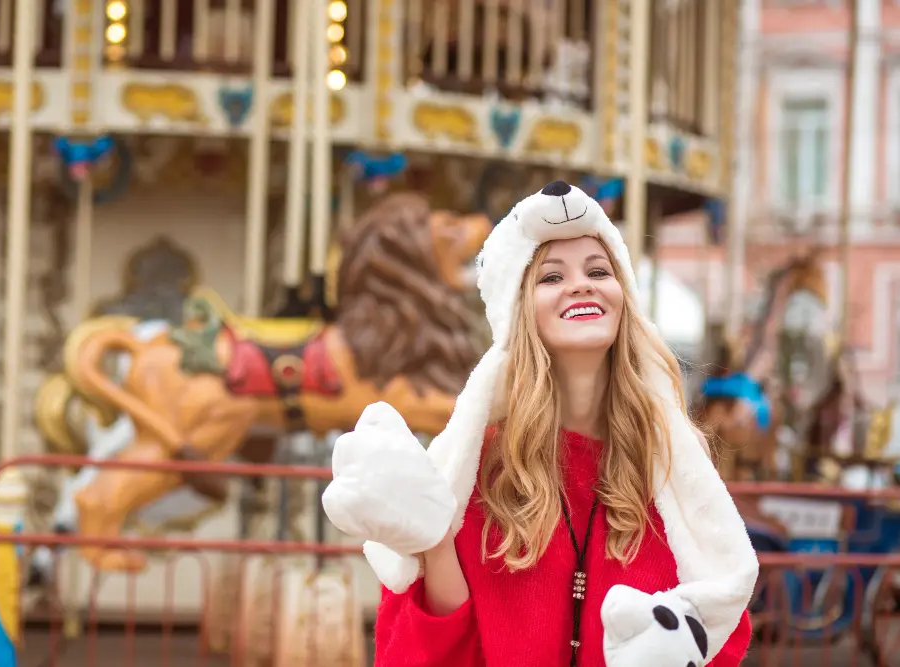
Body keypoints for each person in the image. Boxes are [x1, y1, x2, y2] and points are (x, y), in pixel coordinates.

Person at [323, 182, 760, 667]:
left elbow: (722, 618)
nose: (582, 284)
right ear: (519, 312)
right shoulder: (476, 469)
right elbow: (424, 653)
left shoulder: (673, 466)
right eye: (552, 277)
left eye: (599, 270)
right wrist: (435, 544)